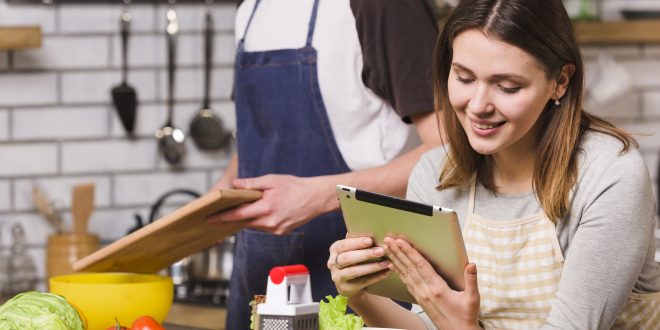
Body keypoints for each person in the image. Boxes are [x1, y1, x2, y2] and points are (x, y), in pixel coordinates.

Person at [327, 0, 660, 329]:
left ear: (560, 80)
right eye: (464, 78)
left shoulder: (609, 175)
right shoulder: (435, 174)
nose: (478, 106)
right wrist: (361, 295)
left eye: (507, 87)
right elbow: (431, 322)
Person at [206, 0, 442, 328]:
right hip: (260, 278)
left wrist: (321, 196)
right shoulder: (251, 9)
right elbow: (260, 133)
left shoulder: (388, 6)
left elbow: (446, 150)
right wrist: (221, 191)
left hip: (362, 279)